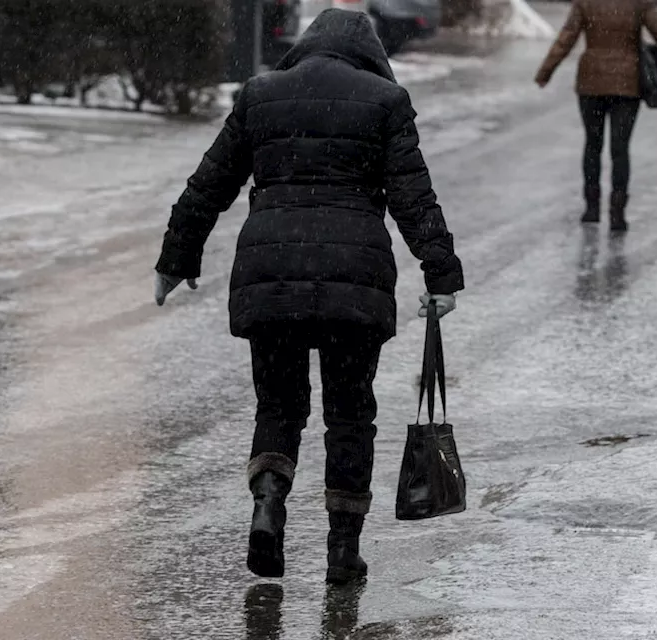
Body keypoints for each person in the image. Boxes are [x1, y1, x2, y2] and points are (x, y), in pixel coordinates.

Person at [152, 9, 465, 585]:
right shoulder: (385, 101)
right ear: (370, 54)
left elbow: (209, 183)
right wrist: (440, 274)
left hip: (272, 276)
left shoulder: (261, 94)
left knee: (279, 405)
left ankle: (268, 502)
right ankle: (342, 550)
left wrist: (177, 259)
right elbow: (413, 197)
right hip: (355, 280)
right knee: (350, 414)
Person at [534, 0, 657, 232]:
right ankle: (618, 213)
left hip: (591, 84)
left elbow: (567, 37)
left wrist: (546, 71)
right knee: (620, 148)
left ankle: (591, 208)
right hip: (627, 84)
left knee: (592, 145)